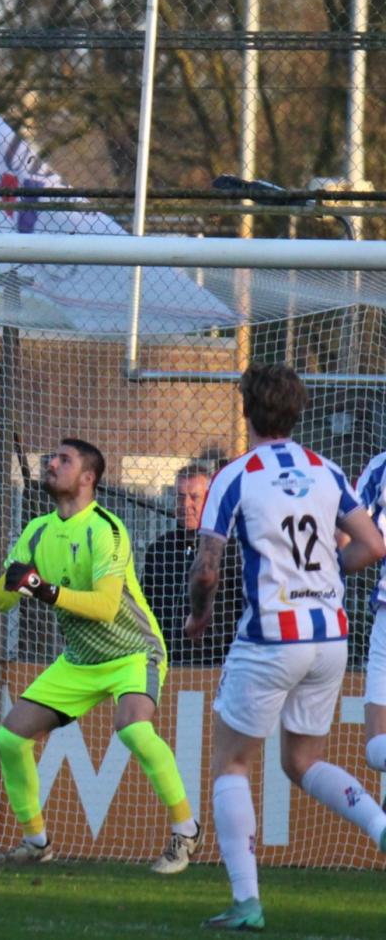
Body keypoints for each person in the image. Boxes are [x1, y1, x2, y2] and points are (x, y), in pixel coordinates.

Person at [186, 365, 386, 931]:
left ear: (246, 408)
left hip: (272, 637)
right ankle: (381, 826)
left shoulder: (236, 475)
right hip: (330, 637)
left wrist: (199, 613)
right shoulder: (326, 470)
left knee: (231, 762)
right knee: (302, 761)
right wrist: (328, 573)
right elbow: (374, 545)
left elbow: (207, 567)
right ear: (298, 412)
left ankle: (247, 902)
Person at [0, 438, 198, 872]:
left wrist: (43, 590)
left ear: (88, 477)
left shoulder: (106, 529)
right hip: (80, 660)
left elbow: (105, 606)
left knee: (133, 728)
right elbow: (7, 599)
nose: (52, 463)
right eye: (52, 457)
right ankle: (37, 843)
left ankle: (185, 831)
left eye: (64, 460)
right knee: (10, 737)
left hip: (132, 653)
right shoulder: (36, 530)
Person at [139, 463, 237, 667]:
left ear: (209, 500)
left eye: (194, 497)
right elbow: (145, 607)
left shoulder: (230, 550)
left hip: (216, 662)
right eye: (180, 497)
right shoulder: (159, 550)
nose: (185, 505)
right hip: (166, 660)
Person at [356, 446, 386, 793]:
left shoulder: (380, 468)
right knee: (377, 748)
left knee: (377, 746)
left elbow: (346, 535)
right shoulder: (379, 467)